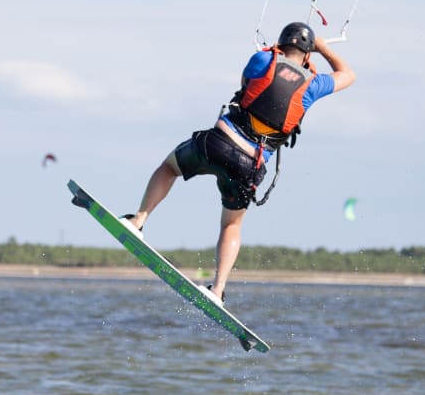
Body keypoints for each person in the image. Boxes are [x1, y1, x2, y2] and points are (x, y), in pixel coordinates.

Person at [121, 22, 356, 304]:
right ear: (307, 55)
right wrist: (323, 48)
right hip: (250, 165)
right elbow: (348, 75)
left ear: (280, 45)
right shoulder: (314, 85)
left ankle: (138, 220)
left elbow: (248, 85)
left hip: (218, 144)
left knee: (169, 168)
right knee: (231, 225)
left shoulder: (261, 59)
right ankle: (217, 289)